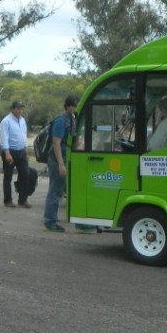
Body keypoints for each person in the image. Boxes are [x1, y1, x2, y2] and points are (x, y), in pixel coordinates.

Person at [43, 95, 94, 233]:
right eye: (74, 105)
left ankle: (78, 222)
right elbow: (56, 142)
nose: (75, 108)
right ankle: (49, 221)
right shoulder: (61, 120)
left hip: (68, 157)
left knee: (70, 191)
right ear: (67, 106)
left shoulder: (72, 118)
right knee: (56, 190)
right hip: (59, 159)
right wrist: (60, 164)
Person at [0, 100, 31, 207]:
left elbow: (24, 136)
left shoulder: (22, 120)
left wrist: (25, 150)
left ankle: (23, 199)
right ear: (12, 109)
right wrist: (7, 153)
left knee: (25, 174)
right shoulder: (6, 121)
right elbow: (4, 138)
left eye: (21, 108)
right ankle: (7, 200)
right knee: (8, 176)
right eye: (18, 108)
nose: (20, 110)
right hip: (10, 151)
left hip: (21, 151)